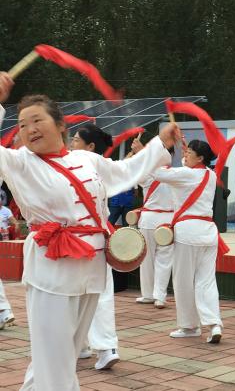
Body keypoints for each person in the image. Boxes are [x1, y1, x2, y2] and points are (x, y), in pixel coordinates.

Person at [0, 71, 178, 391]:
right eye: (22, 124)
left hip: (93, 268)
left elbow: (125, 171)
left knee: (61, 358)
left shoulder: (86, 159)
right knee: (54, 361)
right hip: (52, 272)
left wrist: (159, 145)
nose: (29, 129)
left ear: (60, 125)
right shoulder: (19, 163)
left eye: (37, 120)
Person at [152, 140, 223, 343]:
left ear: (200, 158)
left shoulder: (186, 174)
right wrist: (185, 154)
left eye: (189, 152)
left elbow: (157, 173)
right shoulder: (210, 175)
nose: (185, 155)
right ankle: (214, 324)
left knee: (183, 281)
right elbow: (184, 168)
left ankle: (189, 326)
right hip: (208, 233)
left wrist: (158, 148)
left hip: (188, 233)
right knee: (207, 281)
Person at [70, 124, 120, 370]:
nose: (71, 144)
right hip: (98, 237)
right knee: (98, 294)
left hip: (77, 240)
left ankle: (92, 346)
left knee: (78, 294)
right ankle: (99, 347)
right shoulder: (104, 167)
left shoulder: (74, 165)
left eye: (76, 140)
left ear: (90, 146)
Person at [131, 137, 174, 309]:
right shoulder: (177, 174)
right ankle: (160, 297)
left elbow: (133, 171)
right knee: (165, 259)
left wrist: (140, 153)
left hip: (149, 220)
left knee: (146, 258)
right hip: (168, 221)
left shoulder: (148, 173)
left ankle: (148, 294)